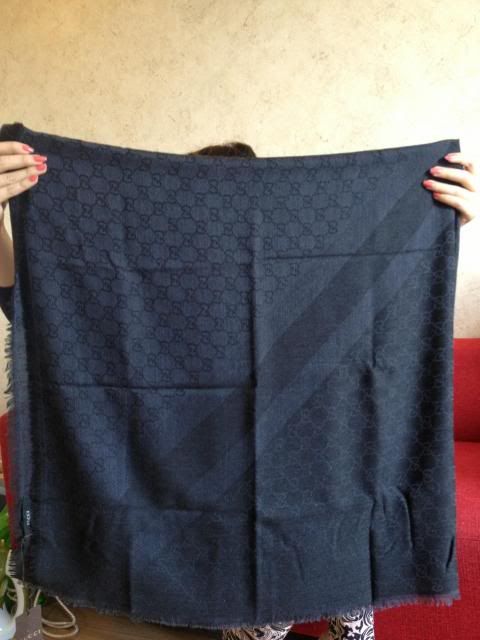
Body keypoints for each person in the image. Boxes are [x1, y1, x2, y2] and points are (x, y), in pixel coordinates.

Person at [0, 137, 477, 640]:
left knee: (348, 613)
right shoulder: (155, 287)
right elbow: (41, 300)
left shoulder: (304, 274)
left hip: (324, 473)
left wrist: (439, 226)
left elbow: (382, 287)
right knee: (266, 620)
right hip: (220, 486)